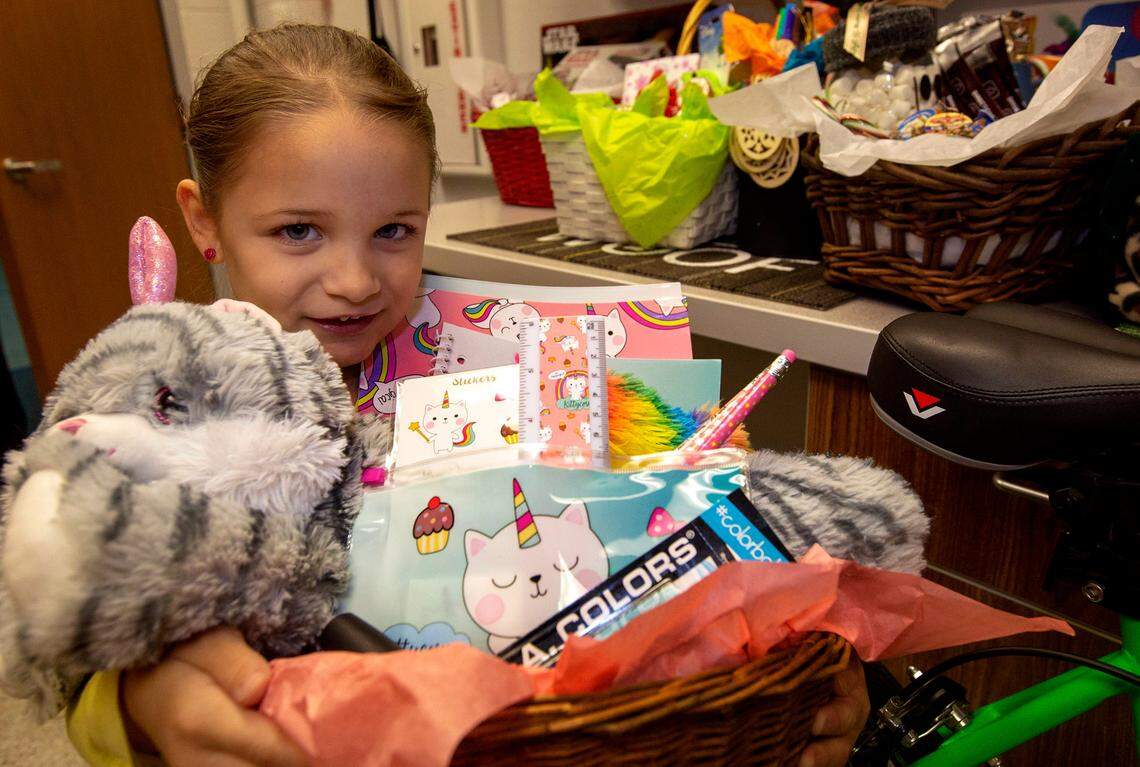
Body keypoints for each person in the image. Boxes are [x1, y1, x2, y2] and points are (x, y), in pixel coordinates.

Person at [64, 24, 868, 767]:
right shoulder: (162, 404)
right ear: (204, 220)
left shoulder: (500, 359)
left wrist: (819, 650)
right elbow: (75, 633)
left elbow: (696, 544)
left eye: (394, 231)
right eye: (298, 231)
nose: (354, 281)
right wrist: (139, 697)